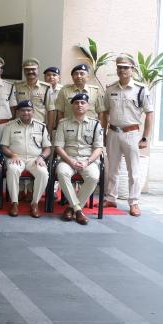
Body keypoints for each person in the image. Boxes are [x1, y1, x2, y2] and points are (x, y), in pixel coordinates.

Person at [102, 55, 154, 216]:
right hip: (113, 132)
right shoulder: (110, 89)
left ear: (132, 69)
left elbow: (149, 113)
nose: (122, 70)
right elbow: (105, 112)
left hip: (131, 134)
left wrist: (145, 138)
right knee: (112, 168)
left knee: (134, 170)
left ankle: (134, 202)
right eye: (119, 67)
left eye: (125, 67)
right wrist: (103, 133)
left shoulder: (141, 89)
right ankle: (111, 198)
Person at [54, 93, 104, 225]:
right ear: (72, 106)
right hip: (67, 159)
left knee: (94, 176)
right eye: (76, 103)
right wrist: (70, 161)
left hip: (88, 160)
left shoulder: (95, 124)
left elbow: (98, 148)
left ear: (88, 106)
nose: (79, 105)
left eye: (82, 103)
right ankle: (78, 210)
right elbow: (58, 147)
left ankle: (72, 208)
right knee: (62, 172)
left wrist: (87, 162)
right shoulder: (63, 123)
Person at [0, 100, 52, 218]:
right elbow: (4, 147)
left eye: (28, 110)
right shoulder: (10, 126)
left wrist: (42, 157)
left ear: (33, 112)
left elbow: (47, 148)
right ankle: (15, 203)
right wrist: (12, 155)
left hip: (35, 159)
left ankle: (35, 203)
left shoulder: (41, 127)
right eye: (23, 110)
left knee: (43, 173)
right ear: (18, 112)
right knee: (12, 170)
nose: (26, 113)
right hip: (16, 157)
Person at [13, 58, 52, 124]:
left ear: (38, 70)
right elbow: (14, 107)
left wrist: (49, 129)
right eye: (27, 69)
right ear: (24, 71)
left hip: (39, 124)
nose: (30, 71)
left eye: (33, 69)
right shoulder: (17, 86)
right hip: (20, 124)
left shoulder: (46, 88)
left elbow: (50, 110)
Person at [43, 66, 62, 133]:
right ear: (44, 77)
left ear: (59, 78)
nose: (51, 77)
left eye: (54, 75)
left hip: (58, 125)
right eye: (48, 75)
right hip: (43, 124)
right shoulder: (41, 89)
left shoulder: (62, 90)